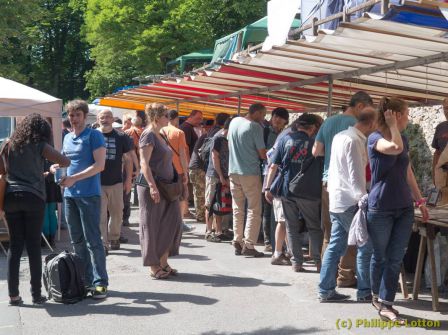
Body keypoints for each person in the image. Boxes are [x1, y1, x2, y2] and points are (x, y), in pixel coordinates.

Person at [367, 97, 429, 323]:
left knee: (395, 258)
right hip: (381, 208)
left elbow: (408, 171)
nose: (409, 118)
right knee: (380, 257)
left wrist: (420, 201)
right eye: (406, 113)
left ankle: (386, 302)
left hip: (403, 207)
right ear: (394, 115)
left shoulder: (403, 137)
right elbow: (395, 149)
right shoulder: (375, 139)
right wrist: (391, 125)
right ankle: (375, 295)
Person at [0, 114, 70, 305]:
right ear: (42, 131)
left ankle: (13, 295)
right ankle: (36, 294)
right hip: (33, 197)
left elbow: (1, 170)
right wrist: (47, 169)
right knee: (33, 246)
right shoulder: (40, 146)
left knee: (15, 247)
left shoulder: (8, 144)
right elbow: (65, 161)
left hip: (11, 197)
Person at [313, 91, 373, 287]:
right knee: (353, 235)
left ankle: (325, 276)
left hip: (329, 183)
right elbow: (357, 172)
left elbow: (316, 151)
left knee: (330, 234)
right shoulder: (355, 132)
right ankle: (345, 277)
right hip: (349, 189)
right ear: (360, 106)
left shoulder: (329, 122)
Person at [56, 99, 109, 299]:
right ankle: (84, 280)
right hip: (70, 196)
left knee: (93, 241)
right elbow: (65, 161)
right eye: (71, 115)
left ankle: (100, 282)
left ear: (85, 116)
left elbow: (100, 165)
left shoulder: (94, 135)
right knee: (76, 240)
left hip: (89, 195)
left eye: (78, 115)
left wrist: (73, 179)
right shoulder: (68, 137)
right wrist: (55, 169)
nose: (74, 119)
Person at [265, 114, 323, 272]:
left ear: (298, 126)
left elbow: (273, 166)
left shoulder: (284, 140)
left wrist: (267, 187)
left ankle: (297, 262)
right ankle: (318, 262)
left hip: (287, 190)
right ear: (312, 128)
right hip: (310, 191)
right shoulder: (315, 143)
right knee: (314, 227)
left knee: (291, 226)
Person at [137, 103, 182, 279]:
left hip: (167, 187)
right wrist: (152, 187)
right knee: (151, 225)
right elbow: (143, 164)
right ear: (156, 117)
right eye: (165, 115)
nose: (168, 118)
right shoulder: (148, 135)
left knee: (172, 223)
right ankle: (154, 266)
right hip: (152, 187)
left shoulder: (161, 133)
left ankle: (163, 262)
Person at [228, 103, 267, 257]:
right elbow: (262, 154)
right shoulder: (254, 127)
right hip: (250, 172)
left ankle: (237, 240)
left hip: (233, 170)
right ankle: (249, 244)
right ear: (256, 113)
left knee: (237, 208)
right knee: (254, 209)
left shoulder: (234, 121)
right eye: (263, 115)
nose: (263, 119)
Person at [97, 109, 133, 252]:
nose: (105, 119)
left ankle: (114, 237)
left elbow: (128, 159)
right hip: (97, 182)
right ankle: (103, 243)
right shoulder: (93, 136)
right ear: (98, 120)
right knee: (100, 214)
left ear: (113, 119)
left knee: (117, 213)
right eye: (102, 117)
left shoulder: (121, 136)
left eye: (107, 117)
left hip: (116, 182)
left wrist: (129, 179)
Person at [261, 107, 289, 252]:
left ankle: (278, 241)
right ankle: (268, 241)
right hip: (267, 172)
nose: (277, 120)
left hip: (280, 174)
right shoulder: (265, 131)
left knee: (278, 214)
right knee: (267, 208)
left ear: (285, 121)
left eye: (280, 117)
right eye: (275, 116)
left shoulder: (286, 134)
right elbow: (261, 151)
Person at [205, 117, 232, 242]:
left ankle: (219, 230)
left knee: (220, 204)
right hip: (214, 175)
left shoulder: (227, 138)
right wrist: (221, 176)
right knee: (210, 204)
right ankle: (209, 231)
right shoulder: (218, 138)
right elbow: (215, 157)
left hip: (223, 175)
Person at [161, 110, 190, 222]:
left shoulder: (160, 131)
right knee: (181, 197)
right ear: (176, 119)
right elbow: (182, 154)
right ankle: (179, 221)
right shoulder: (179, 133)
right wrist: (185, 172)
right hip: (177, 170)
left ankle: (165, 221)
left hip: (163, 169)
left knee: (165, 197)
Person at [432, 98, 448, 182]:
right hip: (443, 176)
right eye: (445, 108)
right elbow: (437, 153)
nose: (447, 111)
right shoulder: (440, 127)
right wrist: (434, 174)